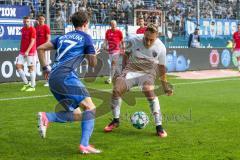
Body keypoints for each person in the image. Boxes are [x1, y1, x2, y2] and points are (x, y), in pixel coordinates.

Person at [37, 11, 101, 154]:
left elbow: (40, 48)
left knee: (77, 114)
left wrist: (45, 69)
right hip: (66, 76)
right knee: (90, 109)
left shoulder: (62, 37)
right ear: (85, 24)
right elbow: (92, 64)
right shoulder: (86, 37)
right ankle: (84, 145)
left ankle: (47, 117)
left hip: (53, 77)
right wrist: (93, 54)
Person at [103, 24, 173, 137]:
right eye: (146, 38)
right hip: (131, 69)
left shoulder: (161, 47)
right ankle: (116, 120)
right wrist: (123, 71)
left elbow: (161, 68)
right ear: (143, 33)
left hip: (148, 71)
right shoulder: (133, 39)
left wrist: (165, 86)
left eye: (152, 40)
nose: (148, 42)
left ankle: (159, 126)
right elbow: (126, 55)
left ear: (156, 37)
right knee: (116, 90)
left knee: (148, 90)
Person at [16, 16, 37, 92]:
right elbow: (22, 39)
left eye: (27, 21)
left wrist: (27, 51)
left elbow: (32, 41)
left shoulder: (32, 29)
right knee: (18, 66)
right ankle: (26, 83)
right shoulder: (23, 29)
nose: (26, 23)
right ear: (23, 22)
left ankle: (33, 86)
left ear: (30, 21)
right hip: (22, 51)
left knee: (31, 68)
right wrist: (20, 49)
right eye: (25, 21)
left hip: (30, 52)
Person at [103, 20, 125, 84]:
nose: (114, 26)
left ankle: (110, 79)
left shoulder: (119, 32)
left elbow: (122, 41)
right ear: (110, 25)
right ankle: (121, 76)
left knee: (113, 63)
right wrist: (104, 45)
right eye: (112, 24)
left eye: (115, 24)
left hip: (117, 50)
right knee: (113, 65)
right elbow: (106, 40)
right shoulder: (108, 31)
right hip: (110, 51)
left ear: (116, 25)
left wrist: (123, 48)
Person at [35, 14, 51, 87]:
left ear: (44, 19)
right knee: (43, 65)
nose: (40, 20)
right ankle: (49, 79)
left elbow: (48, 38)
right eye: (39, 19)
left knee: (46, 64)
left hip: (45, 49)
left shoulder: (46, 27)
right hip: (38, 49)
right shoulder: (37, 27)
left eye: (42, 19)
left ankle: (49, 80)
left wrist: (46, 47)